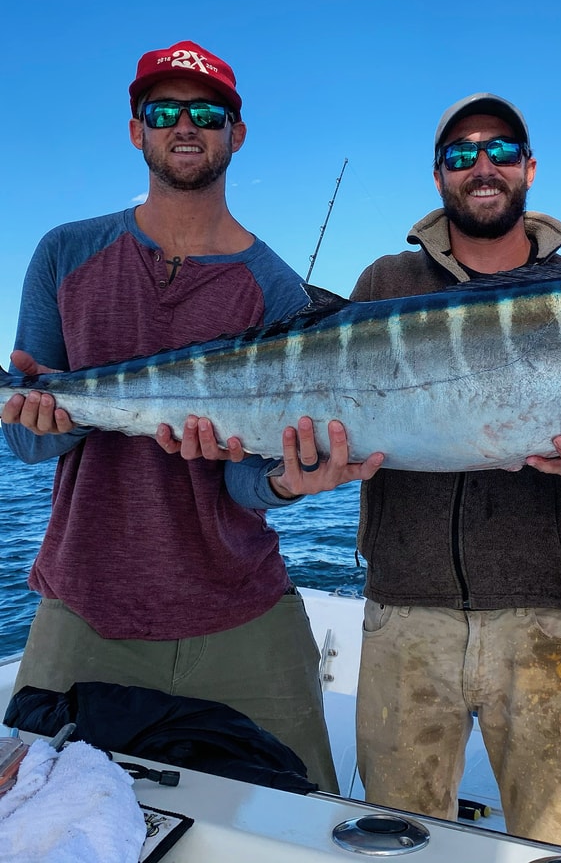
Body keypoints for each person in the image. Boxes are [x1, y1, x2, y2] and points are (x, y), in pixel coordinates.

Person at [1, 40, 383, 793]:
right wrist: (63, 418)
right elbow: (25, 439)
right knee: (27, 810)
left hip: (242, 606)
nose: (185, 125)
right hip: (82, 603)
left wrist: (286, 484)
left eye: (206, 112)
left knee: (306, 816)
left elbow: (246, 481)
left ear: (235, 134)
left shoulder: (277, 290)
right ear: (136, 129)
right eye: (163, 110)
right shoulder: (63, 252)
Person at [350, 93, 561, 852]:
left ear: (529, 168)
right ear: (439, 177)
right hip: (403, 618)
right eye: (460, 155)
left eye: (500, 151)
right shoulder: (385, 282)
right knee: (395, 841)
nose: (482, 167)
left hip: (550, 621)